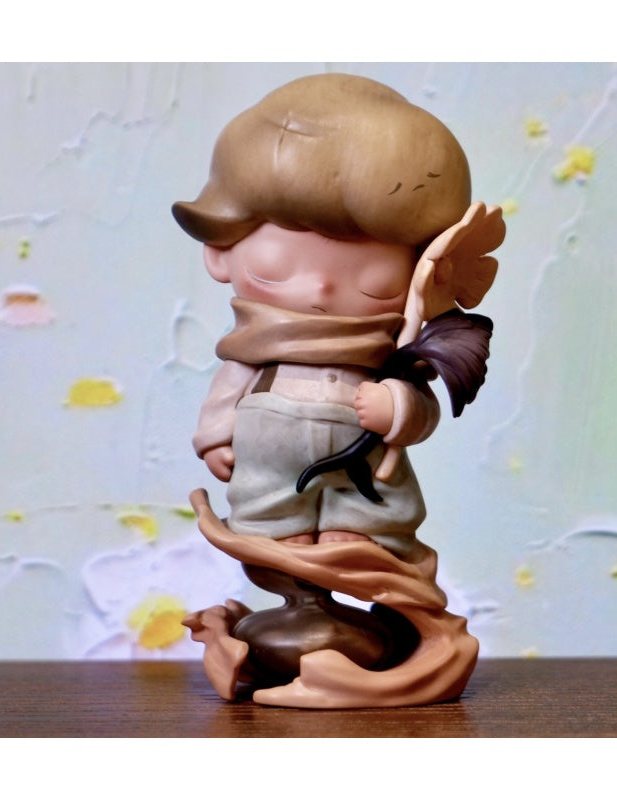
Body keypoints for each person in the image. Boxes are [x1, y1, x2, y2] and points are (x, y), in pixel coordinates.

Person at [172, 73, 490, 560]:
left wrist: (398, 408)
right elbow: (228, 389)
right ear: (219, 253)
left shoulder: (393, 351)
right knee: (266, 508)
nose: (321, 287)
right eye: (277, 266)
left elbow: (422, 408)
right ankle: (280, 540)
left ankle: (359, 535)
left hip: (366, 463)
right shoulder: (255, 348)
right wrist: (215, 439)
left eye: (374, 278)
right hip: (270, 461)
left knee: (376, 499)